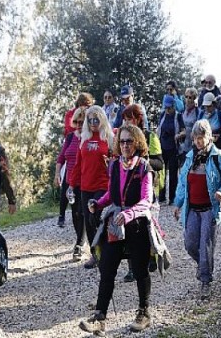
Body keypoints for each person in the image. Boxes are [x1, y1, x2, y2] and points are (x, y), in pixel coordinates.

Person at [79, 125, 155, 336]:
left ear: (138, 143)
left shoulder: (143, 167)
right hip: (115, 225)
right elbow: (113, 196)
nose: (125, 145)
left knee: (140, 270)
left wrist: (129, 214)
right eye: (122, 141)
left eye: (129, 141)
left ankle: (144, 312)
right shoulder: (114, 165)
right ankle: (100, 317)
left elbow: (147, 200)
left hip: (137, 225)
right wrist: (98, 203)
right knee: (107, 268)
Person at [173, 119, 221, 300]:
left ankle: (205, 281)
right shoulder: (190, 158)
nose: (199, 141)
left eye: (202, 137)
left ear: (210, 138)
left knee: (205, 245)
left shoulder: (218, 157)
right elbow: (183, 184)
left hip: (210, 210)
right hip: (192, 209)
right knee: (190, 244)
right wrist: (178, 203)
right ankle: (204, 264)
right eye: (196, 138)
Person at [119, 105, 164, 282]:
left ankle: (153, 255)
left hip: (148, 190)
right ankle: (132, 269)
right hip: (128, 192)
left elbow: (159, 162)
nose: (126, 122)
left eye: (129, 118)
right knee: (128, 230)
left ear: (137, 119)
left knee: (148, 228)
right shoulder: (122, 138)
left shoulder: (150, 136)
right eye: (124, 119)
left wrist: (142, 161)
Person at [69, 105, 114, 269]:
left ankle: (105, 250)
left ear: (102, 120)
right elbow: (78, 164)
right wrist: (71, 185)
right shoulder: (84, 138)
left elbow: (116, 161)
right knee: (87, 223)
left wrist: (110, 163)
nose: (93, 122)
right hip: (85, 186)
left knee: (94, 217)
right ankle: (96, 254)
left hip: (102, 184)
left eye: (96, 119)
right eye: (90, 120)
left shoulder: (109, 138)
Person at [55, 108, 86, 260]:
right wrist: (57, 175)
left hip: (85, 181)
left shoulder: (87, 138)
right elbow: (61, 157)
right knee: (74, 213)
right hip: (69, 181)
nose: (79, 125)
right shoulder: (69, 138)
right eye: (76, 122)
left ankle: (80, 243)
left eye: (82, 122)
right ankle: (79, 239)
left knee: (82, 212)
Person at [156, 95, 185, 204]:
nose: (167, 110)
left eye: (169, 108)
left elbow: (184, 130)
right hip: (162, 147)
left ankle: (172, 197)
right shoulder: (162, 115)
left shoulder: (178, 116)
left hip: (173, 148)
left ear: (173, 106)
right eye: (166, 107)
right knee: (161, 173)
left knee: (173, 174)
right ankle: (161, 196)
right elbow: (159, 128)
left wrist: (178, 135)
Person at [178, 88, 200, 167]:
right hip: (182, 147)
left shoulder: (198, 112)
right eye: (186, 97)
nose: (187, 99)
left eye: (190, 97)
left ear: (194, 99)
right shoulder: (182, 112)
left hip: (193, 147)